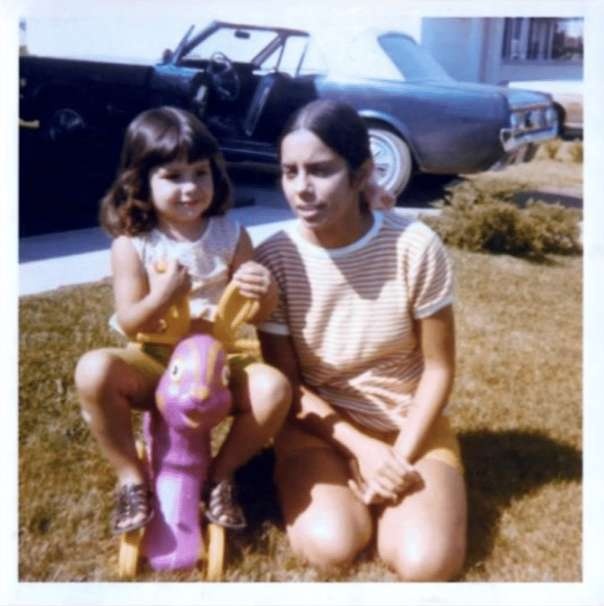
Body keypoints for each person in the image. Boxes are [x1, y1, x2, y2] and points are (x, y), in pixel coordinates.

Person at [255, 99, 467, 581]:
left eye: (321, 170)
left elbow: (439, 370)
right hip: (317, 428)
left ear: (361, 174)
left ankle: (389, 492)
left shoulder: (414, 246)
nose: (302, 189)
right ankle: (341, 482)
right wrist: (362, 450)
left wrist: (396, 456)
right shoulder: (275, 259)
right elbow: (287, 387)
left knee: (425, 564)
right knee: (332, 548)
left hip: (406, 423)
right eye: (290, 172)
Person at [74, 106, 291, 534]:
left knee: (274, 389)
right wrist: (161, 297)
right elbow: (132, 321)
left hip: (220, 361)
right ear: (140, 182)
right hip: (155, 360)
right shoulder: (133, 244)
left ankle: (220, 472)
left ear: (216, 174)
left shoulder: (232, 234)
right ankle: (131, 477)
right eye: (173, 177)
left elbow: (260, 315)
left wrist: (262, 289)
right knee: (94, 370)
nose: (190, 187)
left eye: (200, 173)